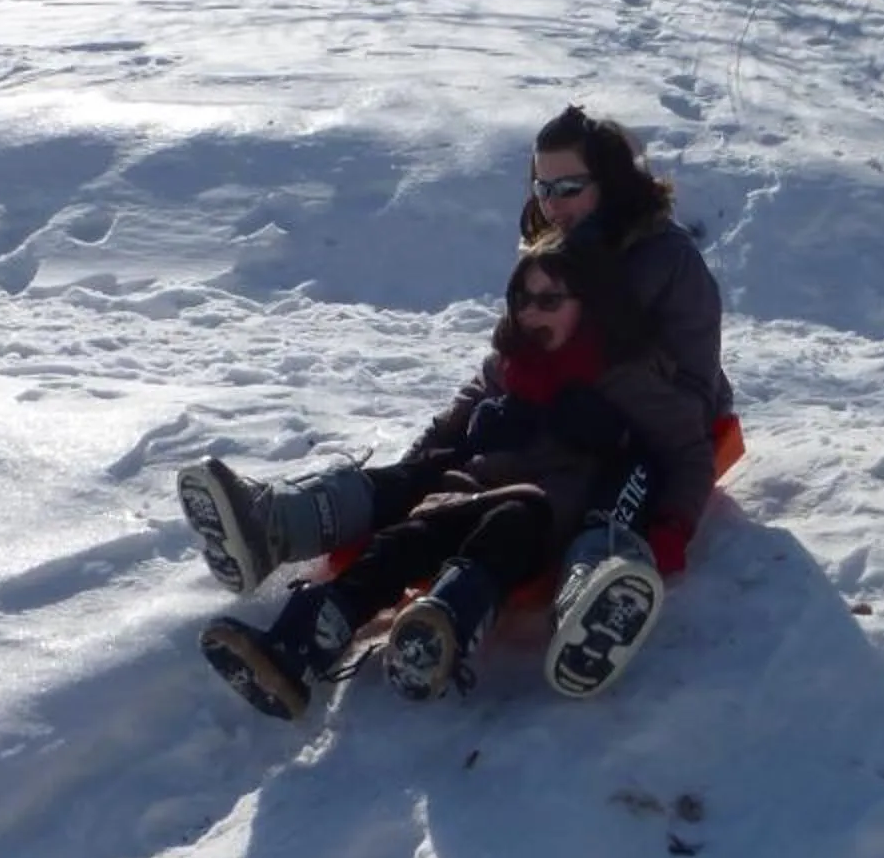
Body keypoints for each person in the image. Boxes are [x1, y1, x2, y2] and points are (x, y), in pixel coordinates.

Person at [182, 231, 717, 722]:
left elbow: (688, 452)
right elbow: (454, 422)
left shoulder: (620, 377)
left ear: (588, 307)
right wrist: (412, 474)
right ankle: (297, 647)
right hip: (466, 491)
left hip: (546, 510)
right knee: (401, 543)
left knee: (506, 527)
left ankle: (443, 627)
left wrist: (670, 532)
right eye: (523, 300)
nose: (532, 314)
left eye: (550, 301)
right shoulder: (508, 365)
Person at [516, 104, 735, 429]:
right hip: (564, 417)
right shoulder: (547, 258)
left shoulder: (668, 259)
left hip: (662, 431)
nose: (551, 204)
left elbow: (695, 386)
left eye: (568, 188)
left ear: (608, 183)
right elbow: (510, 360)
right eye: (543, 189)